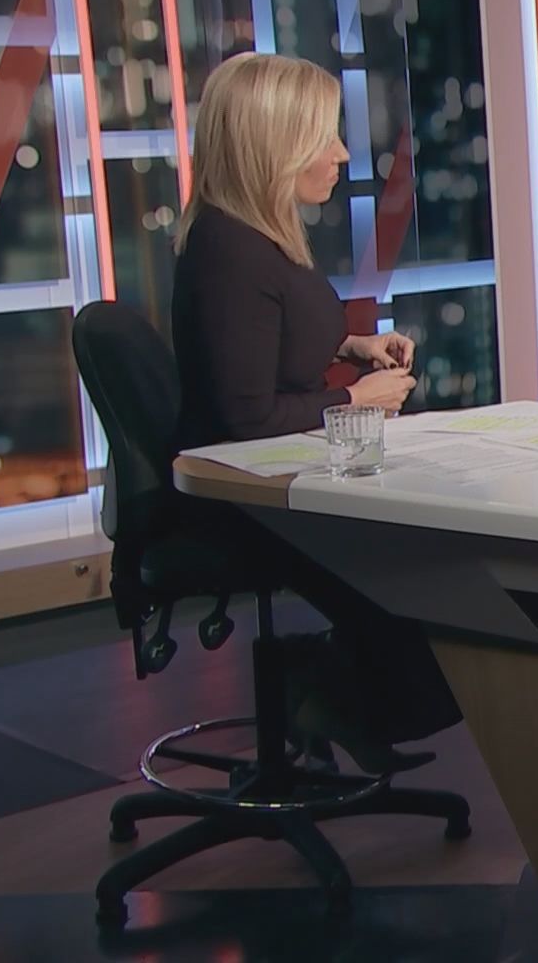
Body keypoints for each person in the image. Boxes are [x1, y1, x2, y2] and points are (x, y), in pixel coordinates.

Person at [171, 51, 457, 773]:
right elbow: (244, 418)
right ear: (274, 145)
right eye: (323, 137)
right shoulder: (231, 252)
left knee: (431, 563)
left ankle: (328, 688)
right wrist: (355, 400)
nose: (340, 154)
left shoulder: (251, 239)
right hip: (248, 504)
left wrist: (350, 347)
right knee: (433, 585)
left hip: (278, 482)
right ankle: (322, 685)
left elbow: (258, 345)